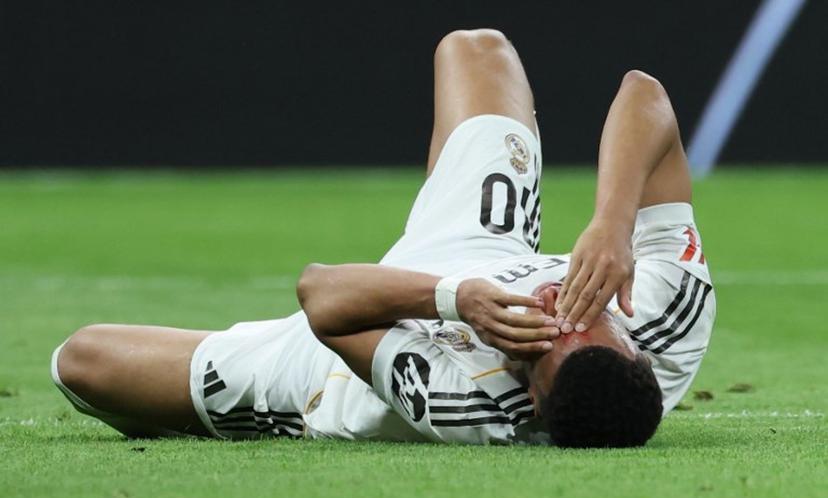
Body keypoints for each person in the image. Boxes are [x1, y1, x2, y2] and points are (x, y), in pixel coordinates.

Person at [51, 29, 715, 448]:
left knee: (81, 362)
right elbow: (644, 95)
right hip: (485, 251)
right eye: (585, 315)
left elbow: (325, 297)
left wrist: (458, 301)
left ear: (533, 404)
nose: (558, 305)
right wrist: (612, 222)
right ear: (635, 350)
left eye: (547, 338)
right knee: (475, 48)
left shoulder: (466, 406)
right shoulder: (666, 310)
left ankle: (226, 405)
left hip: (340, 362)